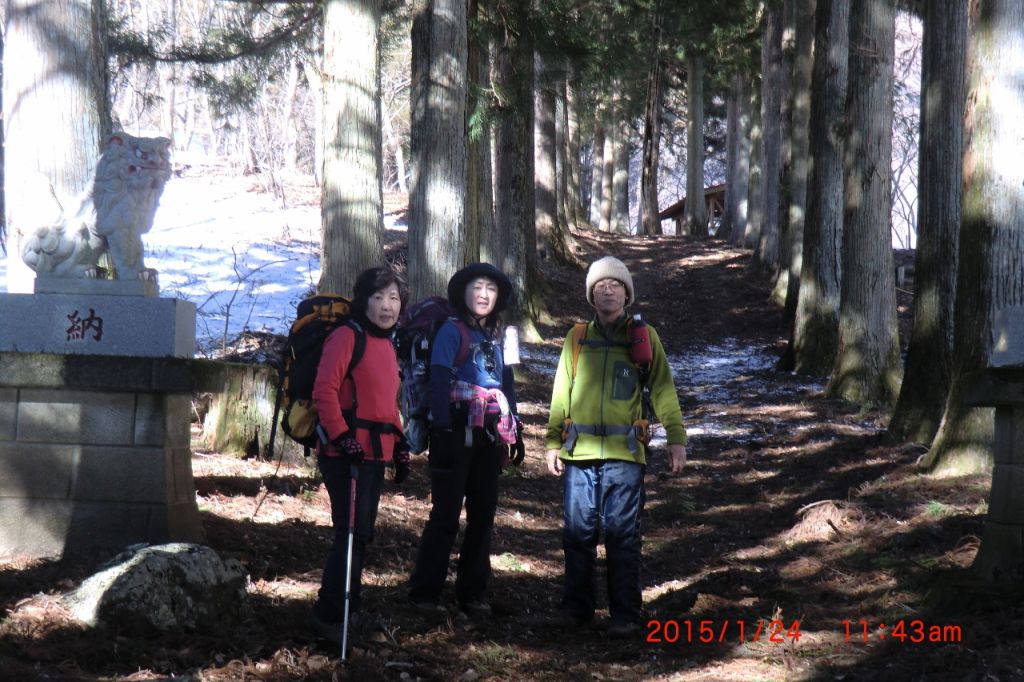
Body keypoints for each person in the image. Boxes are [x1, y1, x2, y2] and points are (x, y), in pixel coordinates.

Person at [544, 255, 687, 638]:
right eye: (601, 286)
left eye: (616, 285)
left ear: (627, 295)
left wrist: (676, 437)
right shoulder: (576, 338)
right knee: (578, 535)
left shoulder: (644, 338)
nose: (608, 291)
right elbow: (561, 394)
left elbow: (663, 390)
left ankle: (625, 614)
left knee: (623, 535)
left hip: (626, 456)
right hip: (580, 456)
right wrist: (552, 442)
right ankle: (577, 609)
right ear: (591, 295)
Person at [408, 262, 521, 619]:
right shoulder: (451, 332)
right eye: (477, 287)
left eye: (490, 288)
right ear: (463, 294)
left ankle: (473, 593)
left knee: (483, 515)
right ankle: (424, 593)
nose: (484, 295)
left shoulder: (498, 336)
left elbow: (507, 385)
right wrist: (440, 427)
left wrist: (515, 430)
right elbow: (440, 380)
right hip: (454, 432)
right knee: (445, 515)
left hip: (488, 436)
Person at [309, 266, 410, 640]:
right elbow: (325, 390)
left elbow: (386, 404)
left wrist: (398, 446)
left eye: (394, 298)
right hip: (345, 454)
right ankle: (330, 613)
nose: (387, 306)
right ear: (363, 299)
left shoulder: (387, 343)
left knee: (361, 533)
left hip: (374, 453)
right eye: (379, 297)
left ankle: (349, 607)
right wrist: (340, 436)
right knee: (349, 532)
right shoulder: (346, 336)